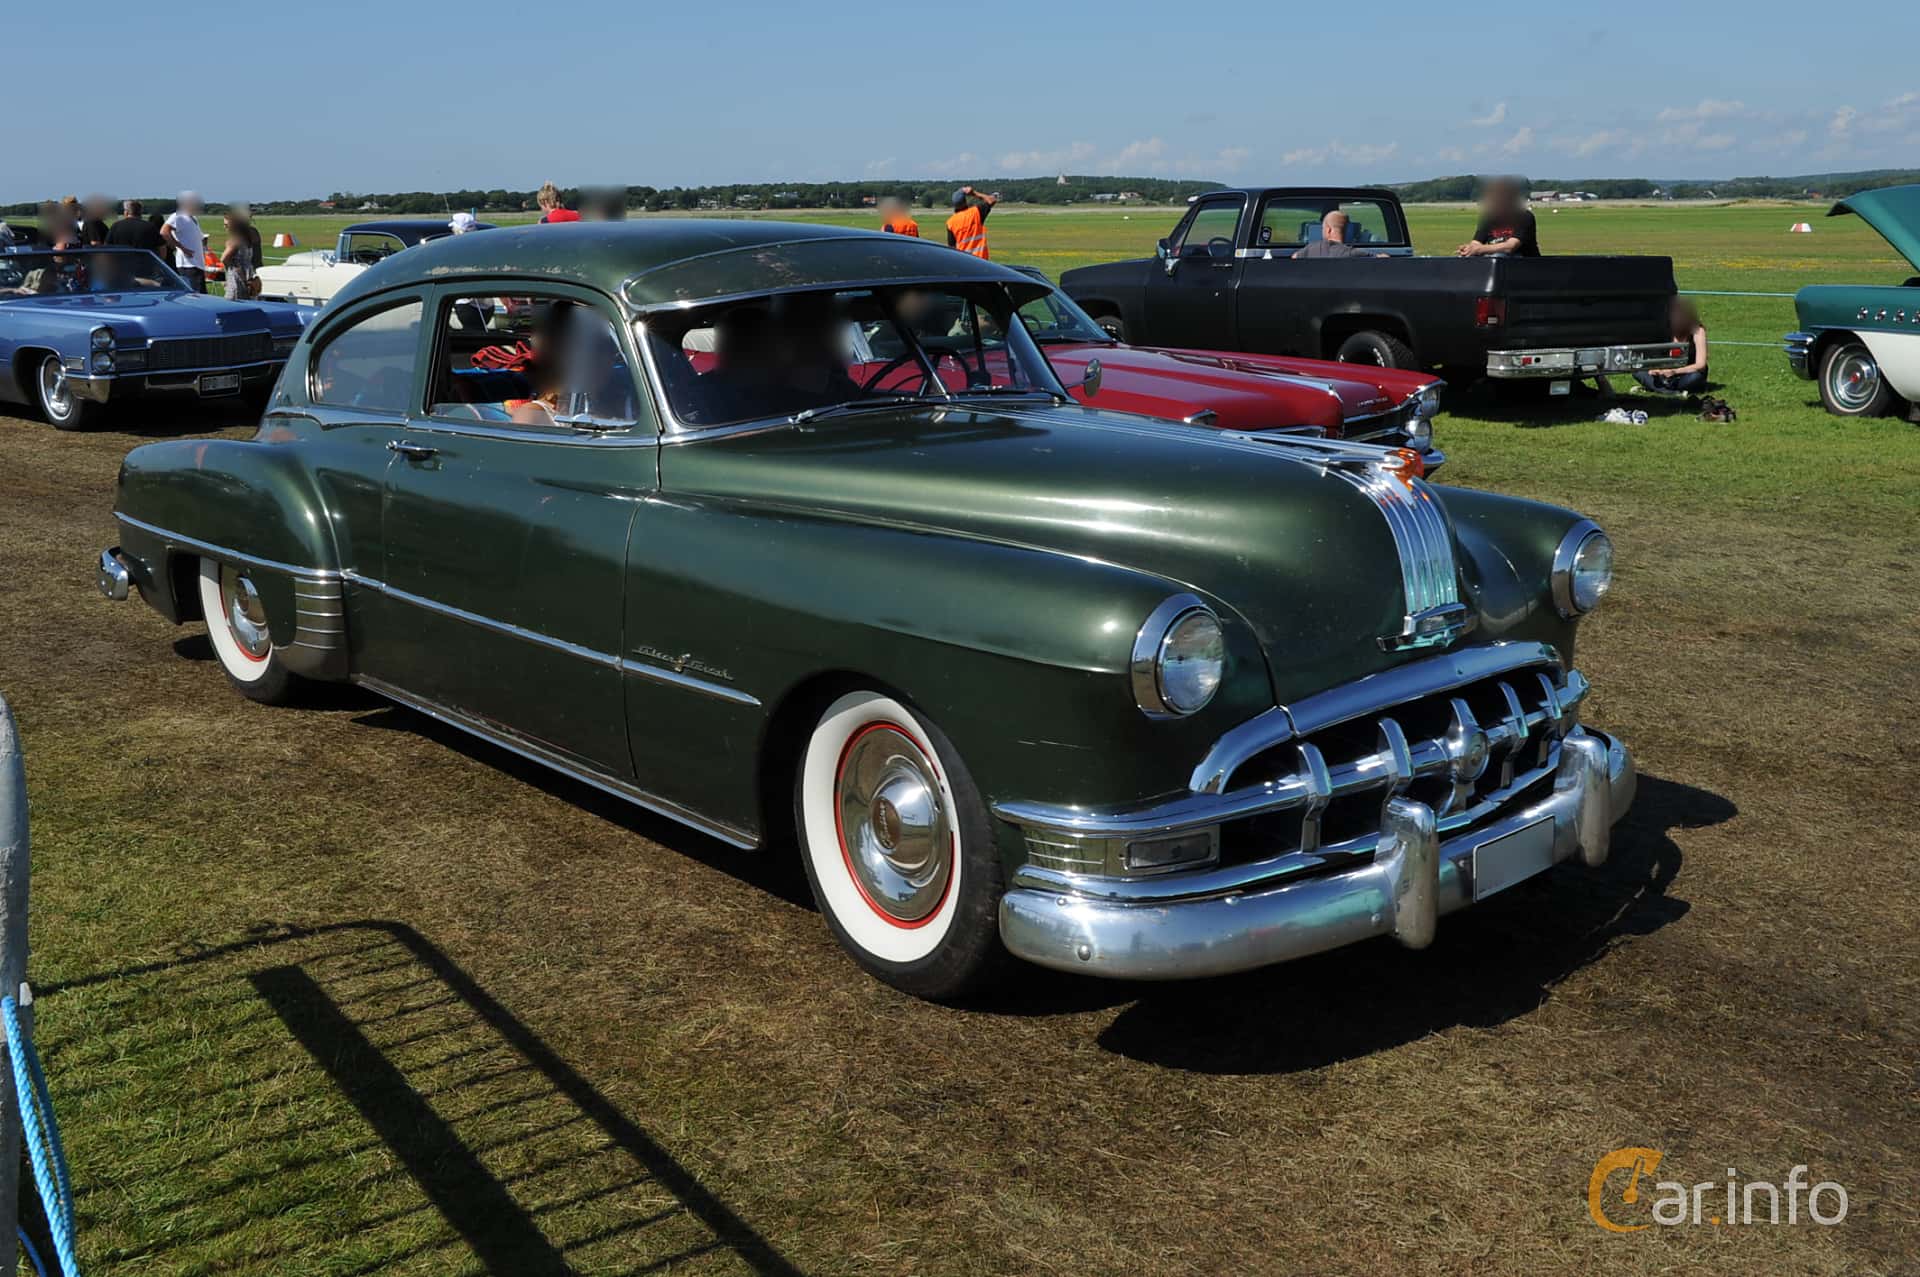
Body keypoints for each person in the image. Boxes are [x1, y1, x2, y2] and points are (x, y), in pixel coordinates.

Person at [1635, 298, 1710, 395]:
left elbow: (1701, 365)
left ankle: (1659, 388)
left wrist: (1675, 371)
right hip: (1663, 374)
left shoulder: (1698, 331)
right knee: (1637, 371)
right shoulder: (1663, 329)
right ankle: (1671, 391)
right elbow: (1652, 356)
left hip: (1686, 373)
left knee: (1695, 377)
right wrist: (1655, 370)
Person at [1456, 177, 1539, 258]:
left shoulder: (1524, 217)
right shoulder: (1488, 217)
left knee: (1499, 256)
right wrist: (1469, 249)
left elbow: (1510, 247)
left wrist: (1480, 249)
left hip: (1524, 263)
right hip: (1498, 259)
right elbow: (1476, 242)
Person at [161, 191, 208, 292]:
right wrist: (181, 247)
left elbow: (199, 238)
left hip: (197, 264)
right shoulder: (178, 216)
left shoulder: (193, 218)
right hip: (188, 265)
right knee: (196, 297)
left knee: (201, 296)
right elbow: (164, 232)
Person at [1291, 210, 1383, 259]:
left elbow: (1294, 257)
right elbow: (1382, 258)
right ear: (1346, 230)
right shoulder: (1353, 253)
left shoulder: (1311, 249)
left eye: (1322, 228)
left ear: (1328, 230)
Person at [945, 186, 997, 258]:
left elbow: (951, 247)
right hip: (981, 259)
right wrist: (973, 193)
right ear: (965, 201)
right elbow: (992, 200)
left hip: (964, 261)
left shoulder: (950, 222)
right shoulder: (975, 212)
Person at [220, 206, 259, 300]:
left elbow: (224, 258)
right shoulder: (248, 238)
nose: (224, 227)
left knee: (233, 300)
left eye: (226, 224)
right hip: (248, 273)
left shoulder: (235, 240)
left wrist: (229, 269)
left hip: (236, 275)